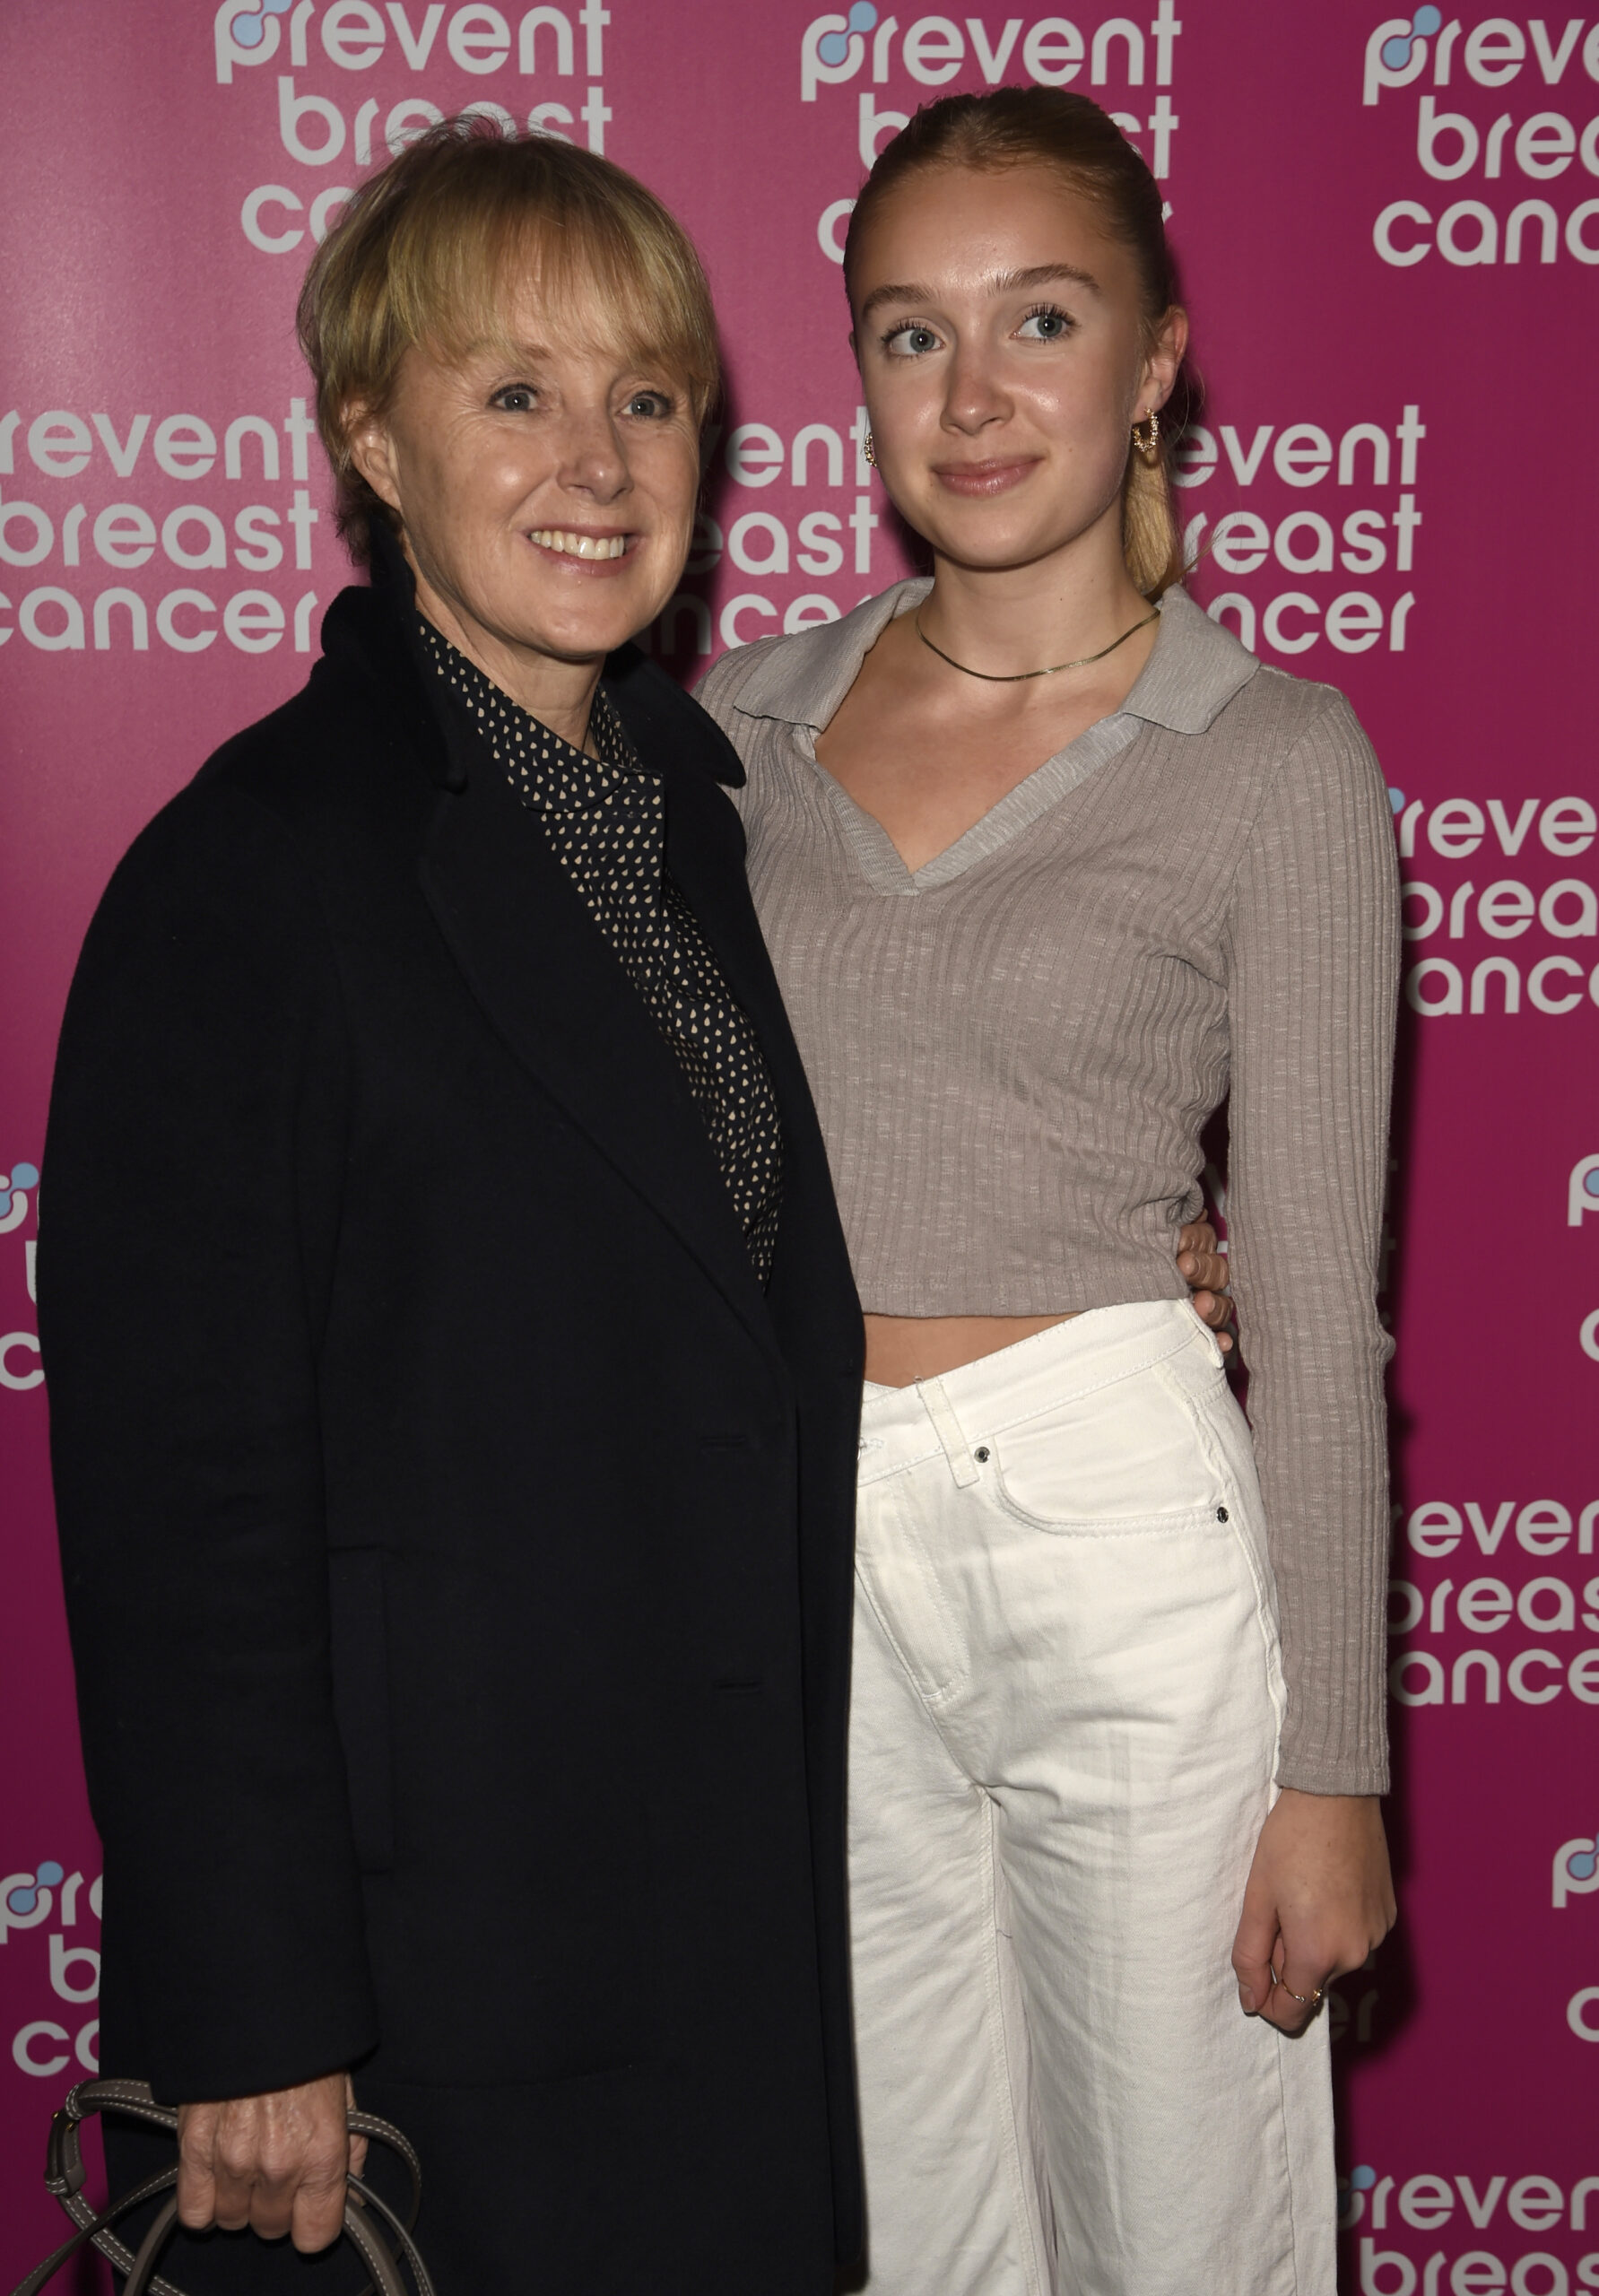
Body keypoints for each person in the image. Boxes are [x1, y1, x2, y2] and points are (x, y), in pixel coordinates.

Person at [39, 123, 872, 2294]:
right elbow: (181, 1494)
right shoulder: (252, 871)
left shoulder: (705, 830)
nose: (594, 459)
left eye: (647, 395)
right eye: (513, 392)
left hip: (722, 1922)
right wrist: (252, 2016)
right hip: (435, 1977)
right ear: (369, 441)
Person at [696, 88, 1400, 2296]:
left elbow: (1306, 1288)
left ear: (1158, 356)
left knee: (1184, 2232)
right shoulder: (720, 737)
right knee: (893, 2224)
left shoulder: (1273, 759)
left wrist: (1335, 1767)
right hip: (810, 1534)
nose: (974, 394)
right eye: (912, 334)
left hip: (1119, 1534)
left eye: (1041, 319)